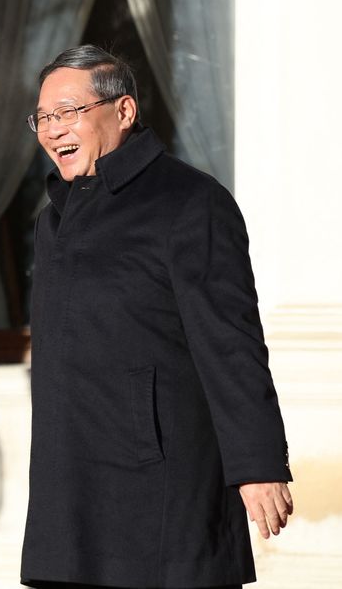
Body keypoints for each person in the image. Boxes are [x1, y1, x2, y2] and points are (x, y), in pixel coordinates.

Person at [20, 45, 293, 589]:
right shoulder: (54, 219)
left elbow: (231, 343)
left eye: (68, 112)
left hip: (162, 490)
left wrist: (258, 464)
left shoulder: (189, 202)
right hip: (68, 492)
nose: (53, 130)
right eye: (43, 117)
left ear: (123, 111)